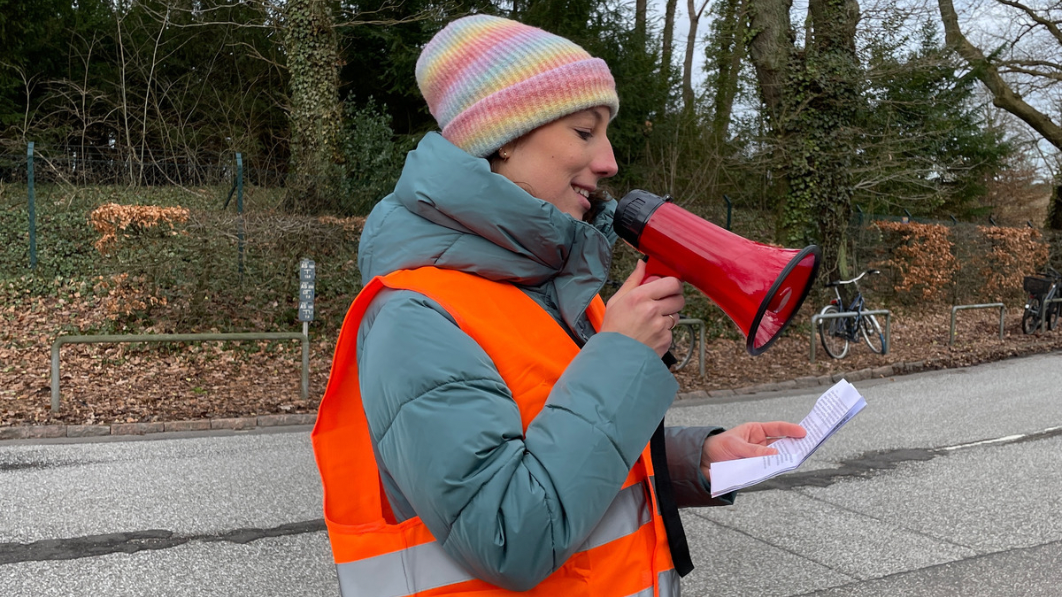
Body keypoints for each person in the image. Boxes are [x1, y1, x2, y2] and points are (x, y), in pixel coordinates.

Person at [312, 14, 805, 596]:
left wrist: (694, 459)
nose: (610, 160)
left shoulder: (557, 292)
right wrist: (620, 357)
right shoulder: (414, 316)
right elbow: (507, 532)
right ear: (504, 137)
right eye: (583, 131)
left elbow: (559, 446)